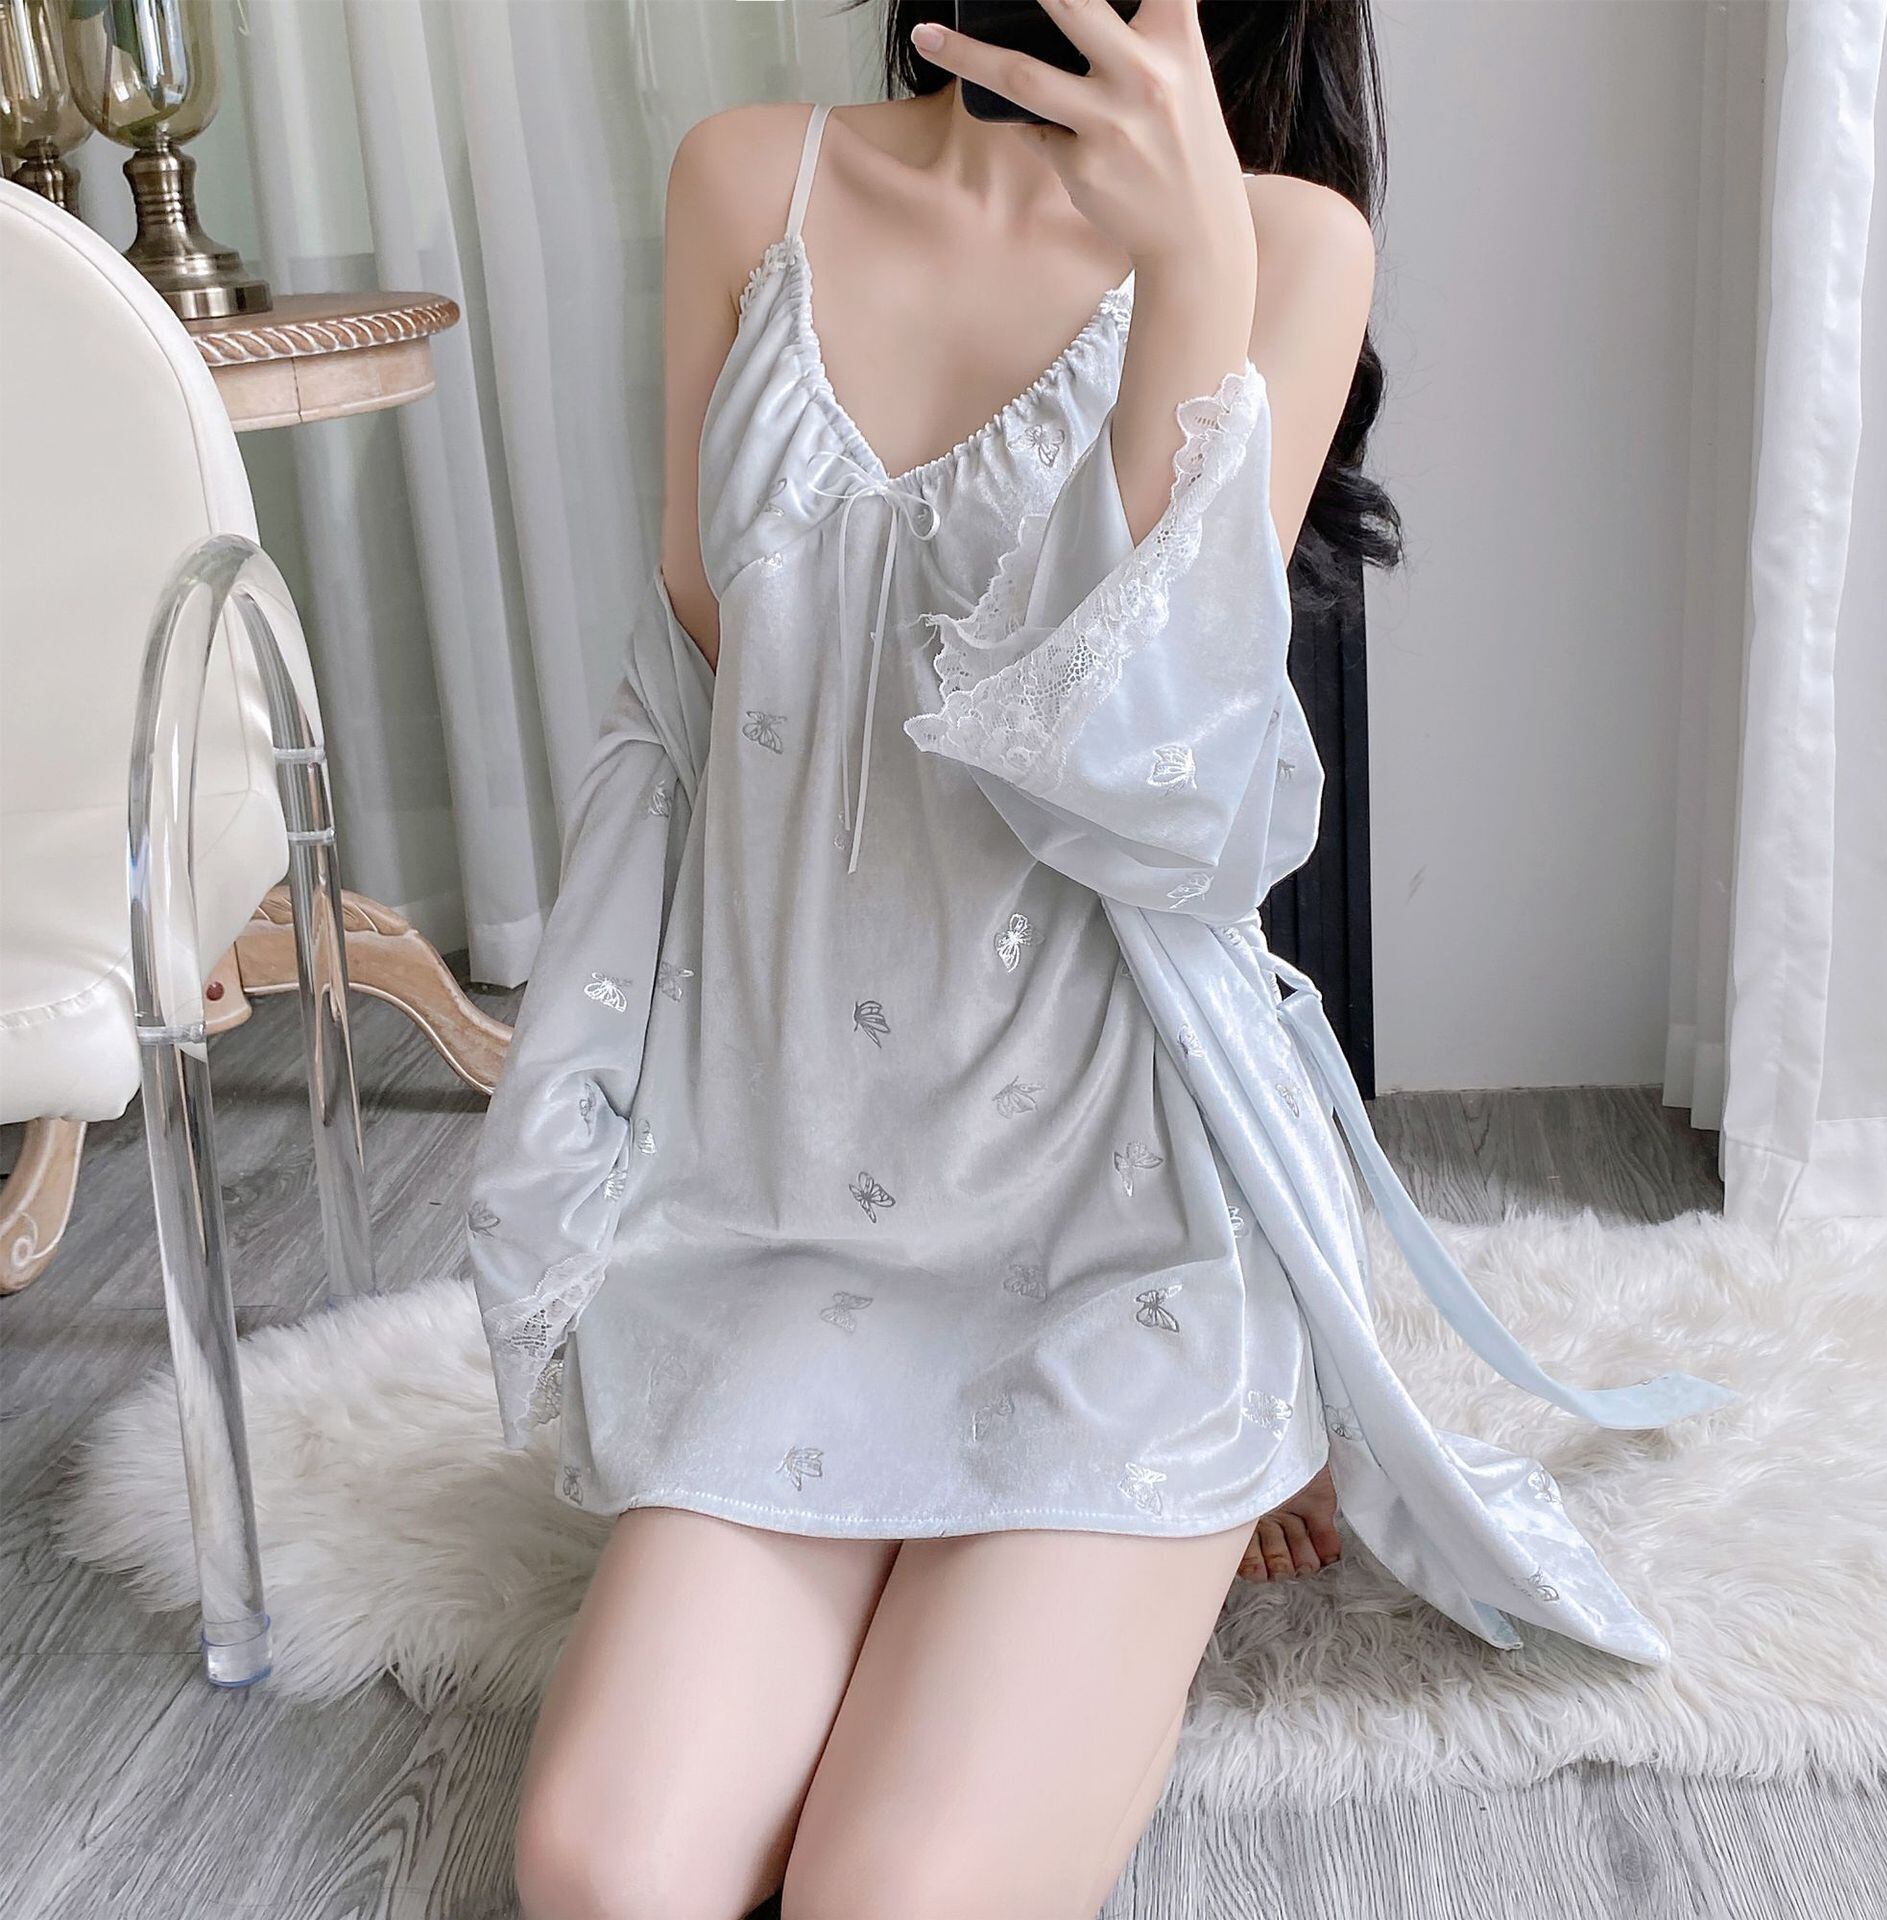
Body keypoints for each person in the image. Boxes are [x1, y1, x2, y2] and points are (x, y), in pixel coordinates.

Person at [469, 6, 1732, 1916]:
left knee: (889, 1898)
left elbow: (1151, 790)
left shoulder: (1285, 243)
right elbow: (702, 702)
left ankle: (1216, 1459)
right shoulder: (746, 180)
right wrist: (590, 1131)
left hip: (1116, 1242)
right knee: (602, 1875)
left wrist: (1192, 270)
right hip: (785, 1216)